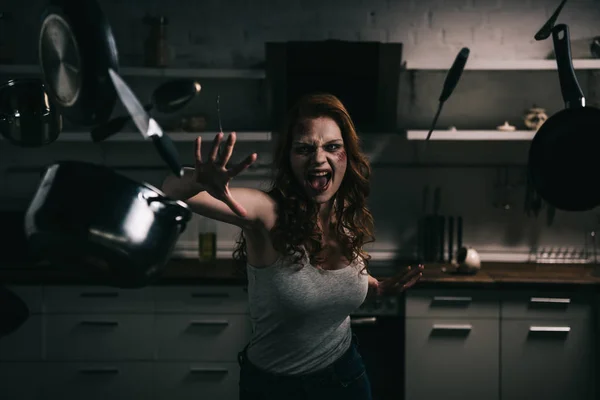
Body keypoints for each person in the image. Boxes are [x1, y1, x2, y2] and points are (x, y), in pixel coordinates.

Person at [161, 93, 424, 400]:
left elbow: (330, 285)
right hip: (276, 390)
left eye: (333, 147)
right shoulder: (267, 214)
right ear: (289, 158)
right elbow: (169, 190)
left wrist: (375, 286)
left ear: (347, 155)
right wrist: (199, 181)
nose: (319, 158)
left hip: (346, 379)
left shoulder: (344, 213)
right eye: (304, 149)